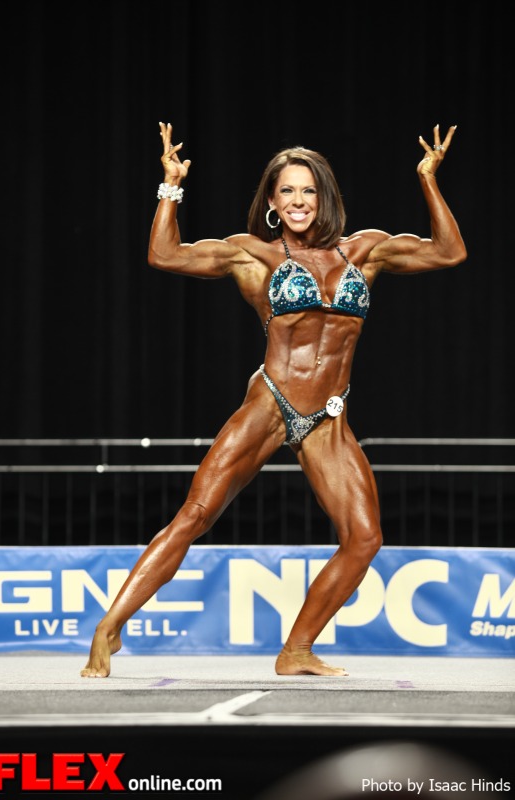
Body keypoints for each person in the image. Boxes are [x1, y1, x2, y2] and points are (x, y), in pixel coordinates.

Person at [81, 121, 466, 678]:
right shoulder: (253, 255)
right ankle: (110, 627)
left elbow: (449, 252)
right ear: (271, 202)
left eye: (308, 190)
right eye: (286, 191)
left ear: (324, 197)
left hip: (328, 416)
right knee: (196, 514)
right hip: (272, 402)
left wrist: (428, 179)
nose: (298, 201)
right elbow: (165, 255)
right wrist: (171, 186)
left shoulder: (365, 251)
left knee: (364, 538)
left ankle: (297, 649)